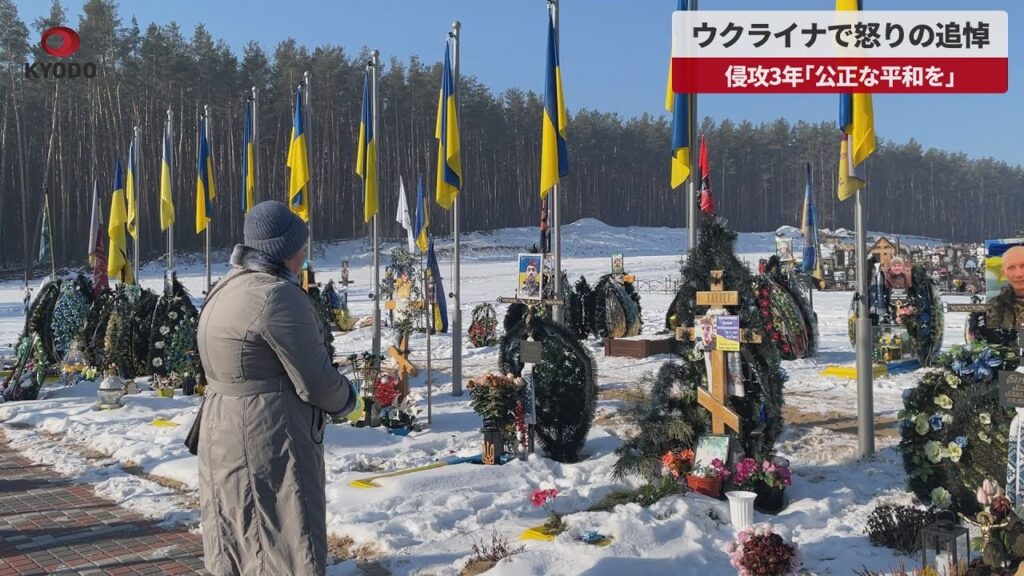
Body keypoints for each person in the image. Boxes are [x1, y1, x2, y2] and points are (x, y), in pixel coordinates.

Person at [197, 200, 358, 576]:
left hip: (221, 426)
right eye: (301, 247)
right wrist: (349, 399)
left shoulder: (225, 286)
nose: (304, 255)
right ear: (285, 251)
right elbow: (317, 381)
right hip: (267, 433)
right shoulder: (277, 296)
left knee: (236, 532)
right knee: (281, 538)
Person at [986, 245, 1024, 330]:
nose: (1019, 274)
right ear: (1004, 273)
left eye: (1023, 266)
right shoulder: (992, 307)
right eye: (1011, 268)